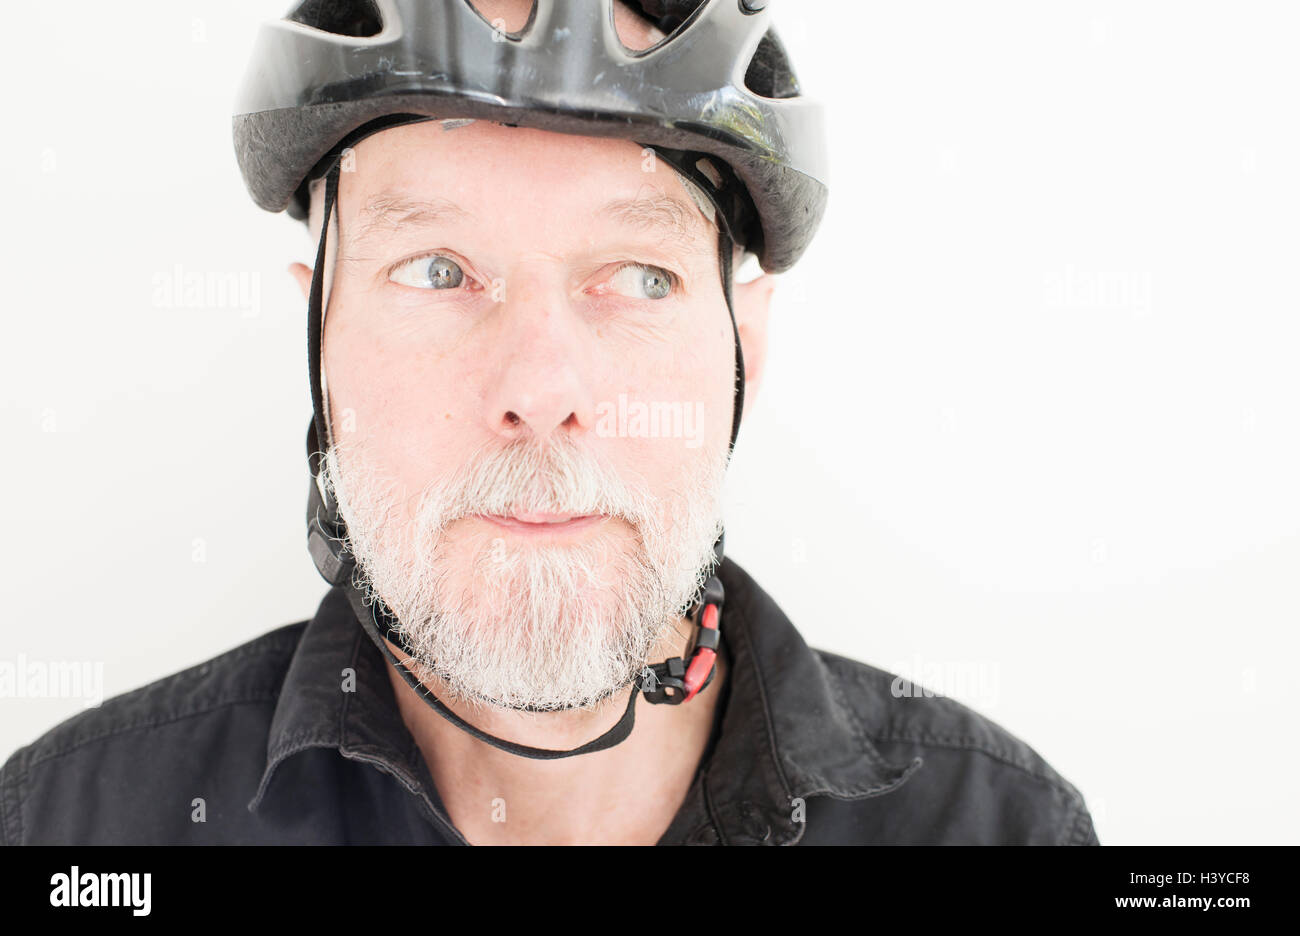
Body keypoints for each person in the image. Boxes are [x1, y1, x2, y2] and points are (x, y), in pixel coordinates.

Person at [0, 0, 1099, 845]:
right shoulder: (70, 828)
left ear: (742, 353)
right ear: (319, 348)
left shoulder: (999, 829)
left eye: (638, 275)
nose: (540, 386)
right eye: (438, 270)